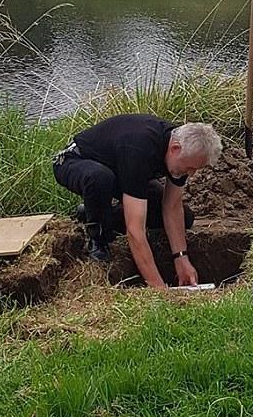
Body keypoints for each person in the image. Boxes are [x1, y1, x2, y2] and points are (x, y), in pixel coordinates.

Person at [53, 114, 222, 288]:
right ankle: (98, 239)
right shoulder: (139, 148)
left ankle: (94, 213)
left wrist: (181, 258)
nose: (191, 174)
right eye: (190, 168)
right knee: (101, 178)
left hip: (119, 169)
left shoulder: (181, 155)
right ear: (175, 148)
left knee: (185, 218)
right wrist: (158, 287)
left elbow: (171, 207)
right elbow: (135, 231)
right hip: (75, 161)